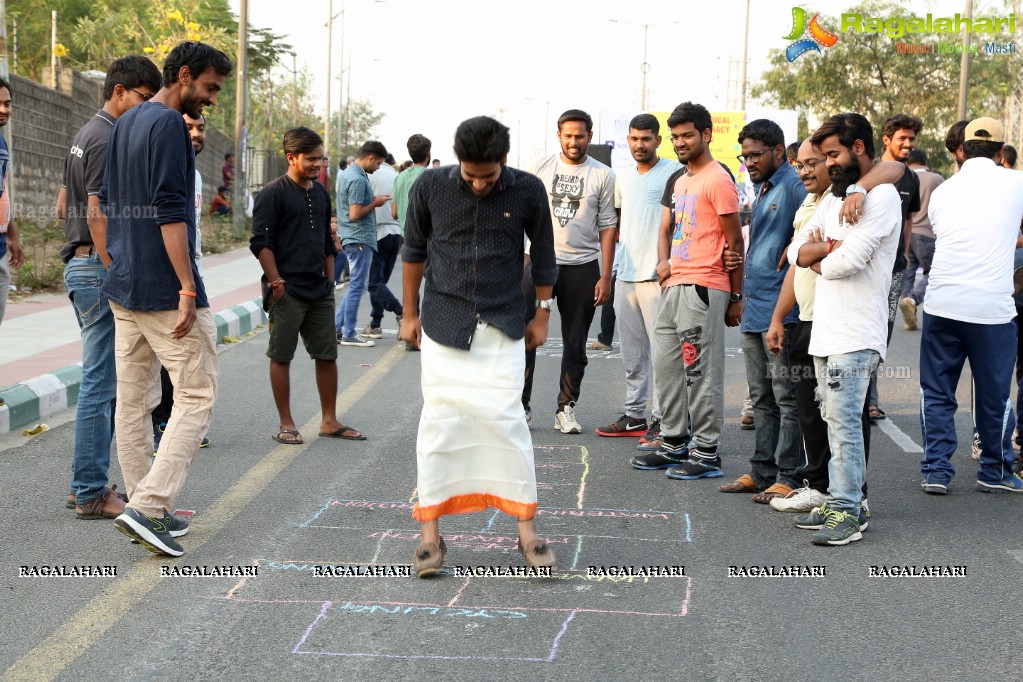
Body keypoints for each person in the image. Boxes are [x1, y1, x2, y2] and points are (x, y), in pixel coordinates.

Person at [399, 116, 559, 576]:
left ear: (503, 163)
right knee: (440, 424)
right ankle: (430, 536)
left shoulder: (527, 190)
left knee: (507, 422)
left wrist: (542, 313)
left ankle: (527, 531)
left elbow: (545, 253)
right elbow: (413, 252)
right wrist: (409, 314)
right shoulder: (430, 186)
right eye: (470, 176)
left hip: (505, 323)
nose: (479, 184)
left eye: (488, 177)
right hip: (443, 324)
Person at [103, 41, 232, 557]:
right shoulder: (171, 127)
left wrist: (120, 262)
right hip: (161, 286)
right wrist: (185, 286)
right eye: (210, 88)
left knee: (134, 400)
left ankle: (142, 503)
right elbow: (169, 211)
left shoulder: (127, 121)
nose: (212, 100)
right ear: (183, 76)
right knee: (196, 394)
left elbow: (108, 201)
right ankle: (149, 507)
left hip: (125, 284)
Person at [788, 113, 902, 545]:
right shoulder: (839, 197)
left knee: (846, 424)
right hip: (828, 329)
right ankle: (841, 502)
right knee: (833, 421)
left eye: (833, 154)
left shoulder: (882, 197)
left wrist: (820, 254)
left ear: (858, 148)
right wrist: (819, 250)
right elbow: (798, 248)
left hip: (856, 332)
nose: (826, 163)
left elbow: (845, 262)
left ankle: (849, 512)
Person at [56, 55, 161, 520]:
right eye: (142, 98)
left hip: (83, 265)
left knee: (101, 381)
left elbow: (64, 205)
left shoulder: (84, 134)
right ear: (119, 90)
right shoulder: (106, 136)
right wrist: (114, 264)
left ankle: (86, 480)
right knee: (101, 384)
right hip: (98, 269)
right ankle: (90, 490)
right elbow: (94, 211)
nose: (144, 108)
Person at [629, 101, 743, 480]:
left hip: (705, 285)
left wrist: (736, 297)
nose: (680, 142)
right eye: (675, 136)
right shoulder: (680, 181)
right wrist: (664, 265)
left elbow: (735, 244)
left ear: (706, 135)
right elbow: (669, 229)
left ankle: (707, 451)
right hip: (675, 283)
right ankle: (674, 443)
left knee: (701, 371)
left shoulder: (718, 178)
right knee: (667, 367)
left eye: (687, 135)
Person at [918, 117, 1023, 494]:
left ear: (962, 150)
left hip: (942, 303)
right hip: (991, 311)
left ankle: (935, 471)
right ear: (1000, 152)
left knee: (937, 392)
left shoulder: (945, 190)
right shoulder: (1016, 181)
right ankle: (993, 473)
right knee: (994, 396)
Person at [251, 127, 365, 447]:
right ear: (292, 158)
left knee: (327, 355)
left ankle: (329, 420)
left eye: (321, 159)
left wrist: (329, 281)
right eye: (311, 159)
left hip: (319, 289)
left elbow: (327, 241)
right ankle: (287, 423)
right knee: (281, 356)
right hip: (286, 290)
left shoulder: (319, 193)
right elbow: (261, 243)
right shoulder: (272, 193)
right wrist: (276, 283)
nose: (319, 165)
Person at [720, 119, 806, 502]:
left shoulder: (794, 185)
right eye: (744, 156)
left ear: (778, 151)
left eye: (755, 154)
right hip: (756, 307)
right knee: (761, 397)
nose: (749, 162)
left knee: (786, 397)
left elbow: (809, 235)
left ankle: (789, 476)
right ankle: (761, 470)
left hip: (781, 312)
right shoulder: (765, 186)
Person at [595, 113, 680, 445]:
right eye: (633, 139)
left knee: (663, 355)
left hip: (658, 277)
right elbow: (617, 221)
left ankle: (663, 419)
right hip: (626, 276)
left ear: (658, 140)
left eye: (645, 139)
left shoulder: (673, 171)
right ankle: (634, 416)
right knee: (631, 354)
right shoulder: (623, 178)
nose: (639, 145)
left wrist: (670, 263)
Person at [529, 109, 616, 434]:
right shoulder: (540, 167)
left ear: (589, 137)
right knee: (526, 337)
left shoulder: (603, 175)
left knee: (576, 342)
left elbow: (608, 227)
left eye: (580, 136)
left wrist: (605, 275)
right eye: (568, 135)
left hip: (582, 268)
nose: (574, 141)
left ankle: (565, 408)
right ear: (559, 136)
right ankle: (522, 407)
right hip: (539, 264)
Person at [150, 110, 214, 455]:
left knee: (187, 351)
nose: (195, 133)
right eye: (188, 127)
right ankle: (163, 421)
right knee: (172, 352)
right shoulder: (166, 167)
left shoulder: (198, 175)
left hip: (193, 270)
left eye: (200, 128)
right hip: (170, 277)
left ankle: (176, 418)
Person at [865, 114, 921, 421]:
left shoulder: (911, 178)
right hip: (867, 267)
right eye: (903, 138)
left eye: (912, 139)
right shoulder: (871, 172)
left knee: (882, 332)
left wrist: (906, 252)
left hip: (895, 269)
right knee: (863, 328)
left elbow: (909, 218)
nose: (908, 144)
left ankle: (870, 399)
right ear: (886, 139)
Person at [335, 140, 390, 347]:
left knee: (355, 286)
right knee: (357, 286)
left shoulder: (351, 174)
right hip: (359, 237)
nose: (378, 168)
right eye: (378, 164)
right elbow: (356, 213)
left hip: (353, 237)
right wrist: (375, 203)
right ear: (370, 157)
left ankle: (337, 328)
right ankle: (349, 333)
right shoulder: (357, 179)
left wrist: (373, 199)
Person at [897, 148, 943, 330]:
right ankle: (913, 299)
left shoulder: (903, 177)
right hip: (927, 233)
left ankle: (907, 303)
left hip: (906, 232)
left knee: (908, 273)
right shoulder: (936, 179)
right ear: (925, 161)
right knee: (934, 272)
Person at [364, 152, 403, 338]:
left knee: (373, 282)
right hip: (396, 233)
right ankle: (376, 323)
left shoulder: (370, 175)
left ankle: (400, 311)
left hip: (377, 233)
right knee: (379, 282)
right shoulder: (396, 176)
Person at [0, 77, 22, 327]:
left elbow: (3, 192)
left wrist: (12, 235)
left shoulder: (2, 143)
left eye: (7, 103)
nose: (3, 109)